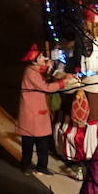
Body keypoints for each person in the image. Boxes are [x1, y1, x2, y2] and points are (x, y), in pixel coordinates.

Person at [17, 45, 74, 175]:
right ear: (34, 60)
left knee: (42, 143)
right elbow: (46, 87)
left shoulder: (36, 70)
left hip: (38, 113)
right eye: (42, 56)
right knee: (29, 143)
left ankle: (41, 166)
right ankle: (26, 165)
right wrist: (63, 82)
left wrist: (50, 68)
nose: (44, 58)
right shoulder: (31, 72)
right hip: (32, 114)